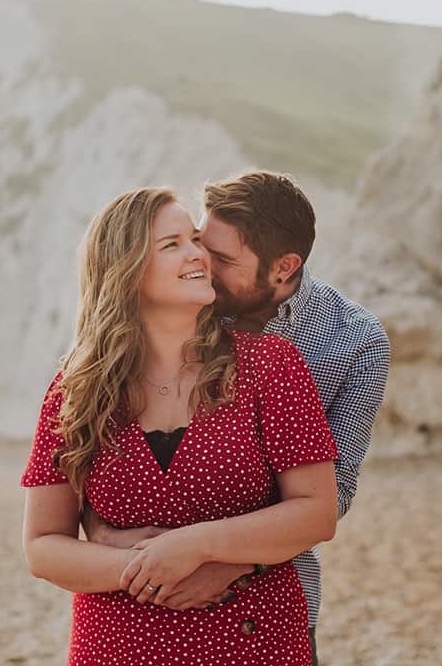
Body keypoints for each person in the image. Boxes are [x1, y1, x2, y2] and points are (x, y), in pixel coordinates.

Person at [21, 186, 340, 665]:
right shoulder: (76, 389)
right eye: (172, 244)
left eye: (195, 239)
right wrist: (142, 565)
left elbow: (317, 512)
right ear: (124, 269)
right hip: (116, 648)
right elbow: (43, 546)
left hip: (254, 642)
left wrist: (196, 547)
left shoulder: (270, 364)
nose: (198, 254)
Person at [83, 170, 392, 665]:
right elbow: (102, 447)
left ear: (283, 268)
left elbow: (335, 493)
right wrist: (101, 530)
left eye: (223, 259)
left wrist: (227, 560)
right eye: (202, 244)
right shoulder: (190, 302)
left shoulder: (354, 340)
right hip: (136, 598)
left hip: (269, 598)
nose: (202, 263)